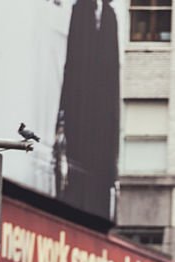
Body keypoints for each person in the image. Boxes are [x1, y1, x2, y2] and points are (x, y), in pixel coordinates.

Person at [56, 0, 120, 219]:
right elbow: (72, 65)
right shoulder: (80, 10)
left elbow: (113, 75)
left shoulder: (110, 16)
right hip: (80, 111)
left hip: (102, 119)